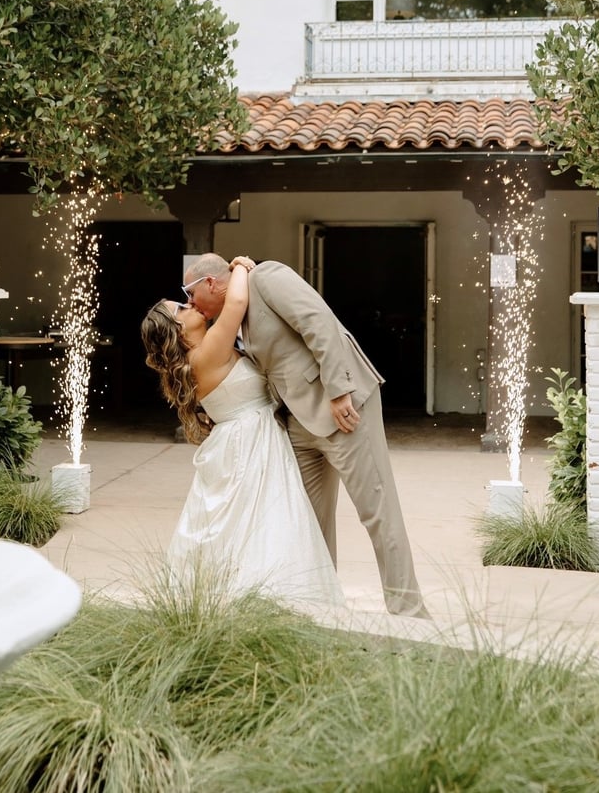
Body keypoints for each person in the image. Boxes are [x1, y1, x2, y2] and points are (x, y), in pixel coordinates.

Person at [182, 253, 427, 618]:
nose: (191, 305)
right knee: (306, 521)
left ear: (210, 283)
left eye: (190, 295)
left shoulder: (267, 278)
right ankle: (321, 609)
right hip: (298, 425)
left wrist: (339, 391)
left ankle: (409, 612)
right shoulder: (236, 314)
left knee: (377, 511)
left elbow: (319, 323)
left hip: (343, 410)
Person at [141, 257, 346, 616]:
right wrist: (239, 265)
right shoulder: (207, 352)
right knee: (267, 521)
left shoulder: (200, 356)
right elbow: (236, 302)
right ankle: (274, 601)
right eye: (182, 307)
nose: (190, 304)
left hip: (236, 440)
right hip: (250, 442)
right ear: (176, 329)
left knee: (244, 526)